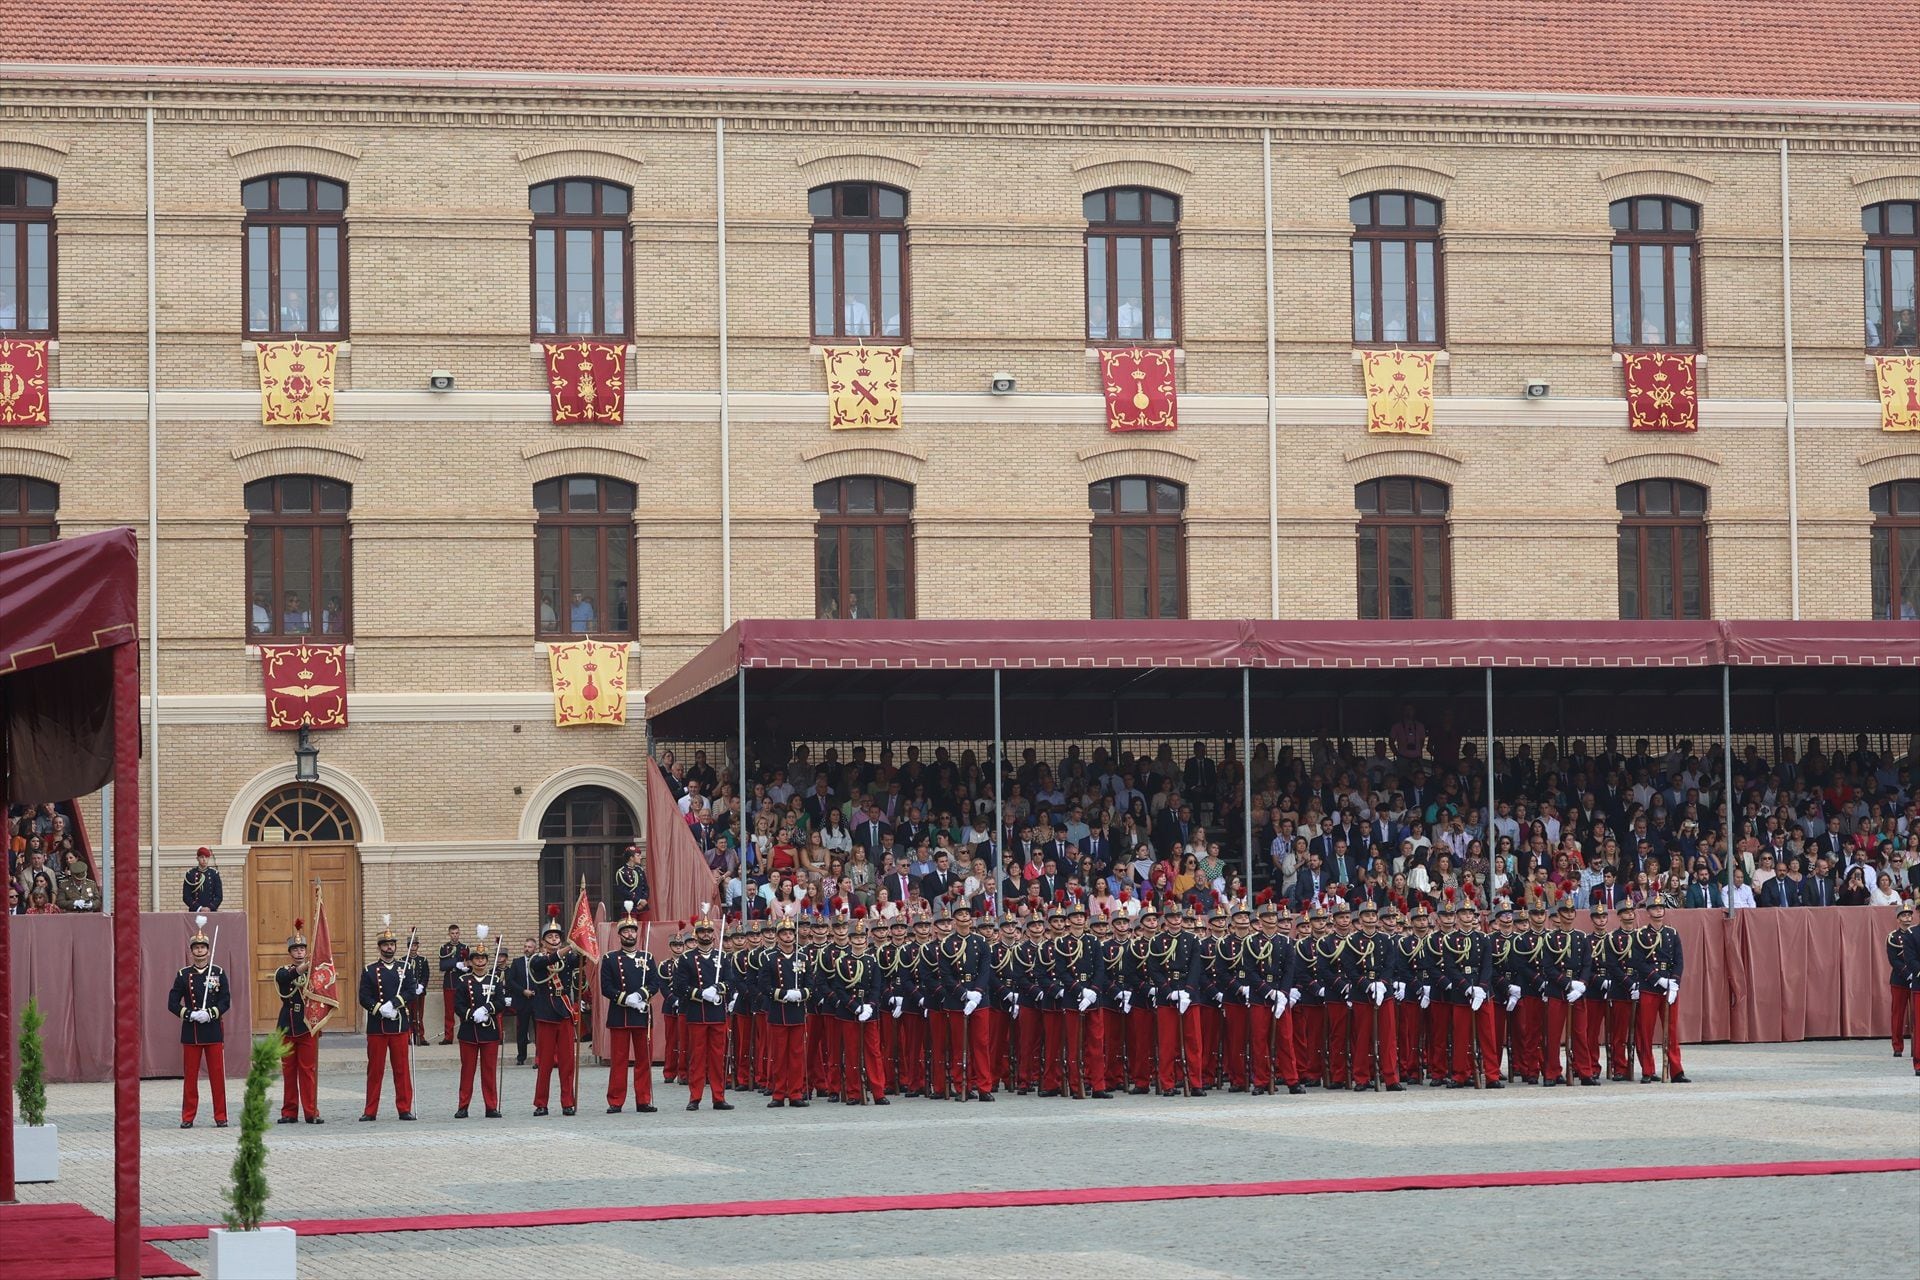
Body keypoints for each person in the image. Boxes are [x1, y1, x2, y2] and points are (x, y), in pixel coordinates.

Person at [167, 919, 231, 1128]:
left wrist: (211, 1013)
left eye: (203, 947)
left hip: (212, 1031)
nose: (200, 951)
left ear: (208, 950)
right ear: (191, 951)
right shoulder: (183, 974)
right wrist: (190, 1014)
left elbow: (225, 1001)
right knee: (190, 1079)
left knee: (217, 1078)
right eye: (196, 947)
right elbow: (172, 1003)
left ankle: (220, 1116)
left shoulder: (218, 973)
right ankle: (188, 1117)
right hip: (192, 1032)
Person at [356, 919, 419, 1121]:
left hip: (399, 1024)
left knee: (401, 1070)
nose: (389, 947)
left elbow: (411, 991)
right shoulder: (369, 970)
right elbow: (363, 997)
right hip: (377, 1027)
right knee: (375, 1071)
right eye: (385, 944)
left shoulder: (405, 967)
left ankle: (404, 1108)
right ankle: (370, 1110)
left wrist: (394, 1004)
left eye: (392, 944)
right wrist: (379, 1009)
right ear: (380, 947)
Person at [600, 908, 660, 1114]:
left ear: (637, 933)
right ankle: (616, 1100)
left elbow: (655, 983)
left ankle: (643, 1100)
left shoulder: (647, 957)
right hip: (620, 1015)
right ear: (619, 935)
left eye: (633, 931)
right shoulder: (609, 959)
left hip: (642, 1013)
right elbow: (606, 988)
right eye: (625, 931)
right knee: (619, 1061)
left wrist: (641, 995)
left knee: (643, 1060)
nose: (629, 934)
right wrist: (627, 999)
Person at [673, 917, 734, 1111]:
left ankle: (718, 1096)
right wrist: (700, 994)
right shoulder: (686, 958)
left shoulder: (722, 957)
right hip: (697, 1013)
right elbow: (679, 986)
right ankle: (695, 1097)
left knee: (718, 1057)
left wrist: (718, 988)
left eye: (709, 932)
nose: (706, 935)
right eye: (702, 932)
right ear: (696, 935)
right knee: (697, 1057)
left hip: (717, 1013)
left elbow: (731, 981)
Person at [528, 907, 583, 1115]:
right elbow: (547, 962)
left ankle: (567, 1102)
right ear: (543, 941)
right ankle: (541, 1103)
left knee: (567, 1062)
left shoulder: (569, 958)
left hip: (564, 1011)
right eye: (549, 936)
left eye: (556, 936)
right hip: (545, 1013)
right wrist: (569, 948)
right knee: (545, 1063)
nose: (553, 939)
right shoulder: (536, 959)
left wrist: (582, 947)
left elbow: (581, 963)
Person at [829, 922, 889, 1105]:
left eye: (862, 938)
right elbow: (839, 988)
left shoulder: (872, 961)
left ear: (866, 939)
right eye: (855, 938)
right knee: (852, 1052)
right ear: (850, 939)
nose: (859, 941)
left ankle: (879, 1091)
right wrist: (854, 1006)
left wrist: (870, 1006)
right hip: (849, 1011)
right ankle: (853, 1092)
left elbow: (877, 986)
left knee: (873, 1052)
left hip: (869, 1011)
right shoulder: (840, 962)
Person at [451, 928, 505, 1118]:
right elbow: (457, 1004)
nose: (480, 962)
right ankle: (463, 1105)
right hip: (468, 1032)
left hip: (489, 1031)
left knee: (489, 1071)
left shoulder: (495, 980)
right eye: (477, 959)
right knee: (467, 1071)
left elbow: (500, 1002)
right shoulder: (463, 980)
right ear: (471, 961)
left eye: (483, 959)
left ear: (487, 961)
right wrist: (470, 1014)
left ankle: (491, 1106)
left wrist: (488, 1009)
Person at [274, 920, 323, 1124]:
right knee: (288, 1071)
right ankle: (289, 1112)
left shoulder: (315, 972)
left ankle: (311, 1112)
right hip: (287, 1026)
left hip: (307, 1026)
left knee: (308, 1071)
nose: (299, 952)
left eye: (302, 948)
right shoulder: (283, 970)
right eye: (295, 949)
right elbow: (285, 978)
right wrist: (303, 968)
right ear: (290, 952)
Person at [504, 936, 536, 1065]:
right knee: (522, 1029)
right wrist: (523, 991)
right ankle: (521, 1057)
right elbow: (510, 981)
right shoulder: (517, 962)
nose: (526, 949)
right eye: (525, 947)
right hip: (522, 1000)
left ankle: (540, 1057)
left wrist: (534, 991)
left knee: (539, 1030)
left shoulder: (539, 960)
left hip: (536, 1000)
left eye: (529, 947)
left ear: (534, 949)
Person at [437, 924, 469, 1044]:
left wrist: (467, 968)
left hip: (461, 984)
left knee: (463, 1010)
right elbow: (442, 966)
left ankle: (465, 1035)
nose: (455, 936)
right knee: (449, 1012)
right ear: (449, 934)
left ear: (459, 933)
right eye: (452, 933)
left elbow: (469, 964)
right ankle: (448, 1037)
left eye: (457, 933)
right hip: (449, 983)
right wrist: (455, 963)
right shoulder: (444, 948)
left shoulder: (464, 947)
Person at [403, 934, 432, 1047]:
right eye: (411, 945)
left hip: (419, 992)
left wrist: (422, 986)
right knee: (408, 1014)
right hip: (408, 993)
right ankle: (408, 1036)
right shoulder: (403, 960)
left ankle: (420, 1036)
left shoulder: (423, 960)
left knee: (419, 1015)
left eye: (415, 945)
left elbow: (426, 975)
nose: (413, 948)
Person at [613, 844, 650, 917]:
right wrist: (638, 901)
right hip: (629, 909)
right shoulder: (621, 872)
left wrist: (643, 901)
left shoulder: (640, 870)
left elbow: (646, 888)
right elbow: (623, 891)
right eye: (638, 855)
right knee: (630, 928)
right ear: (631, 858)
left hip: (643, 908)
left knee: (645, 928)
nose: (641, 857)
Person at [182, 846, 222, 911]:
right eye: (202, 857)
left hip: (211, 911)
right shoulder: (190, 874)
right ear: (197, 858)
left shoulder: (214, 874)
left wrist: (210, 908)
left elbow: (219, 896)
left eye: (206, 857)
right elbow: (186, 897)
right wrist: (199, 908)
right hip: (195, 911)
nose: (204, 859)